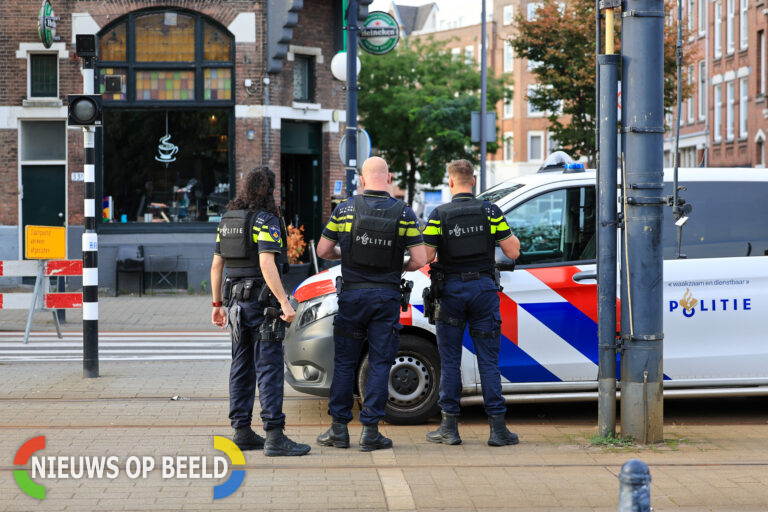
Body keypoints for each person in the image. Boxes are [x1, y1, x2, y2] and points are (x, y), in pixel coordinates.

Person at [315, 156, 427, 451]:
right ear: (388, 178)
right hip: (385, 298)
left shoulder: (345, 209)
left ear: (362, 181)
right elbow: (420, 259)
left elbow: (323, 249)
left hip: (352, 297)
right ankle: (370, 432)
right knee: (380, 362)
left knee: (345, 363)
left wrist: (347, 254)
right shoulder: (403, 213)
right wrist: (398, 266)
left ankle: (338, 430)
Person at [210, 166, 310, 457]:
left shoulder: (227, 221)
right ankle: (275, 436)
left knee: (240, 367)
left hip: (235, 307)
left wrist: (217, 305)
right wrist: (285, 302)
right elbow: (267, 263)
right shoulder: (266, 220)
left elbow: (217, 266)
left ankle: (241, 431)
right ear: (268, 190)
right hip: (261, 306)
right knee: (269, 367)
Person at [422, 159, 521, 447]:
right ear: (474, 181)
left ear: (450, 182)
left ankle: (449, 428)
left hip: (451, 292)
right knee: (488, 361)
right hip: (483, 291)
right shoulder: (490, 211)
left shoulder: (439, 214)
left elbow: (426, 257)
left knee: (451, 361)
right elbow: (512, 251)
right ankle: (498, 429)